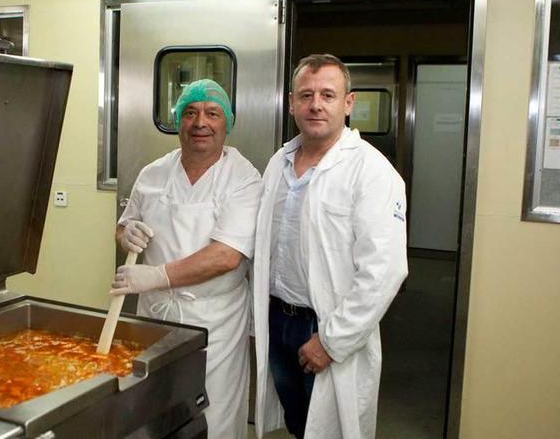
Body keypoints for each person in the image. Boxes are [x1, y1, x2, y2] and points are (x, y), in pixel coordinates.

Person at [252, 54, 408, 439]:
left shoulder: (372, 172)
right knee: (298, 423)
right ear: (291, 103)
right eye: (306, 95)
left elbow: (384, 271)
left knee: (329, 430)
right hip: (278, 320)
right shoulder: (279, 163)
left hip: (324, 327)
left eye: (327, 94)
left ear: (348, 103)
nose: (316, 105)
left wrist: (331, 341)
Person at [113, 79, 262, 439]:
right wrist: (125, 231)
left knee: (213, 415)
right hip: (155, 317)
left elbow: (226, 256)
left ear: (226, 122)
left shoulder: (243, 178)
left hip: (215, 322)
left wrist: (156, 276)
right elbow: (124, 225)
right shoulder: (153, 173)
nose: (201, 123)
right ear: (178, 120)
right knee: (153, 409)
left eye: (212, 114)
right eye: (191, 113)